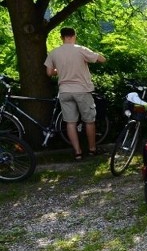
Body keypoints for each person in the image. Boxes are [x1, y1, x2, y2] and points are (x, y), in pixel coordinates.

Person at [44, 27, 106, 160]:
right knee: (89, 121)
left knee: (70, 122)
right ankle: (92, 149)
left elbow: (49, 73)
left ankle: (77, 152)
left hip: (64, 91)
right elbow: (102, 59)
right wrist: (94, 54)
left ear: (62, 37)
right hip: (82, 90)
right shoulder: (80, 49)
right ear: (74, 36)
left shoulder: (54, 52)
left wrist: (59, 70)